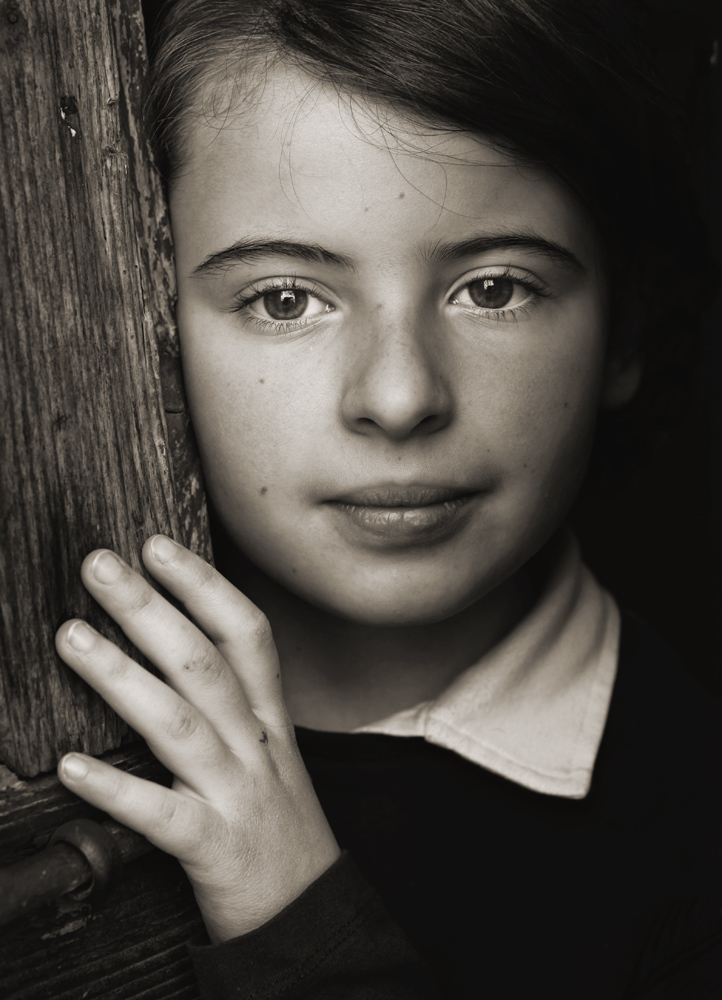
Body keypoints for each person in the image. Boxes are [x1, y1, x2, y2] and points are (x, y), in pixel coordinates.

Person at [54, 0, 721, 996]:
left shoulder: (692, 845)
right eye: (285, 299)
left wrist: (297, 929)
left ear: (623, 329)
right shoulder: (48, 718)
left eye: (494, 288)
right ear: (142, 326)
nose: (400, 397)